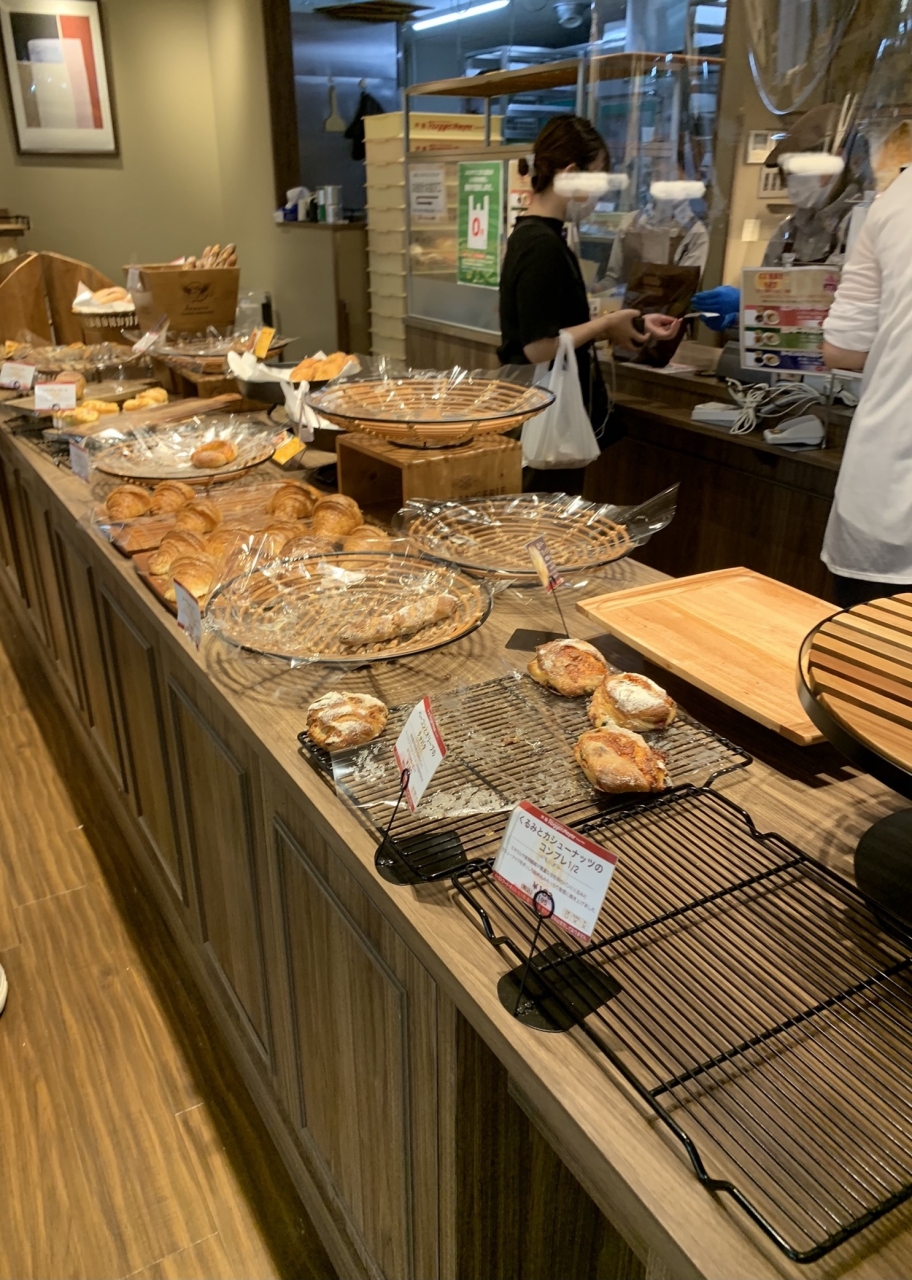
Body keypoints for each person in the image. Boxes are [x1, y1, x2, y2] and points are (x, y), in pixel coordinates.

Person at [498, 115, 679, 490]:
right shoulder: (540, 244)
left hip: (541, 410)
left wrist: (626, 324)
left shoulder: (540, 236)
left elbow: (558, 325)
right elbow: (537, 347)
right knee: (541, 519)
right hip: (541, 413)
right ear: (570, 173)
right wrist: (607, 325)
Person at [820, 165, 912, 606]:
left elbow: (843, 350)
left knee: (866, 646)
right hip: (885, 494)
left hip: (884, 494)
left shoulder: (895, 200)